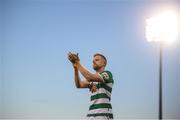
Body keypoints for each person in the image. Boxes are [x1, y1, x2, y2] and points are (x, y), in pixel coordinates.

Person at [68, 52, 114, 120]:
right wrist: (75, 68)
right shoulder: (93, 79)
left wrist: (77, 63)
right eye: (93, 60)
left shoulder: (107, 74)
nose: (93, 61)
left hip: (103, 115)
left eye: (97, 60)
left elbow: (90, 77)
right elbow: (79, 85)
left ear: (104, 63)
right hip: (90, 114)